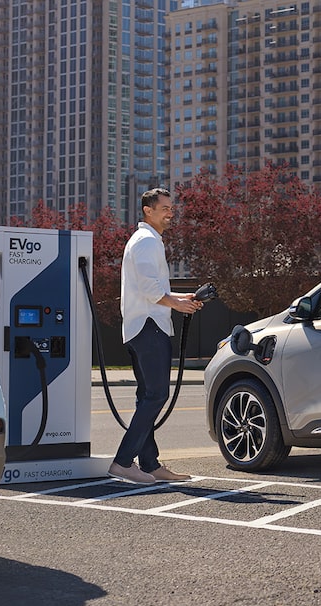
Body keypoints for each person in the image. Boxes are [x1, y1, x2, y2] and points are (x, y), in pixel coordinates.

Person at [108, 187, 203, 485]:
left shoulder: (144, 240)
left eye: (171, 208)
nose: (171, 212)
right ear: (148, 210)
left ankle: (149, 464)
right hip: (150, 328)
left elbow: (149, 288)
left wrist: (179, 296)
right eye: (165, 208)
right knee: (156, 395)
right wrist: (178, 304)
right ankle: (124, 461)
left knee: (146, 397)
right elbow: (150, 291)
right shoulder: (148, 241)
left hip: (139, 327)